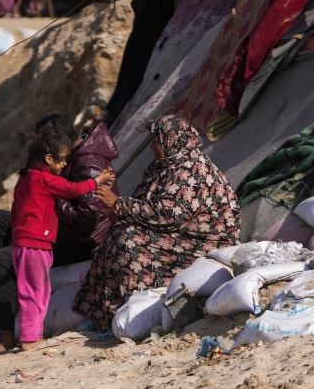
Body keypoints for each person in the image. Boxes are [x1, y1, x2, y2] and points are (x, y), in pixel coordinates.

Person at [72, 115, 241, 332]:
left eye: (156, 140)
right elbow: (145, 202)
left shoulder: (193, 170)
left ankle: (135, 312)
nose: (152, 146)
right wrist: (120, 212)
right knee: (119, 232)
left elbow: (167, 215)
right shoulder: (165, 167)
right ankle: (106, 315)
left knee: (129, 242)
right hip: (178, 235)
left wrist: (120, 205)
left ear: (170, 140)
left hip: (201, 243)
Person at [0, 114, 119, 356]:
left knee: (4, 260)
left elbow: (86, 220)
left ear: (60, 143)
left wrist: (46, 197)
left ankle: (7, 335)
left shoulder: (88, 164)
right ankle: (14, 291)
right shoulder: (44, 170)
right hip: (48, 228)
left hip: (80, 241)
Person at [9, 129, 115, 350]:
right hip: (35, 246)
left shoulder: (24, 180)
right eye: (62, 160)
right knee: (35, 291)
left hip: (22, 245)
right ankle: (29, 339)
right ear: (48, 159)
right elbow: (72, 189)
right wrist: (98, 180)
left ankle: (33, 334)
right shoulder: (44, 179)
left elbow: (14, 212)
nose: (65, 164)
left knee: (35, 289)